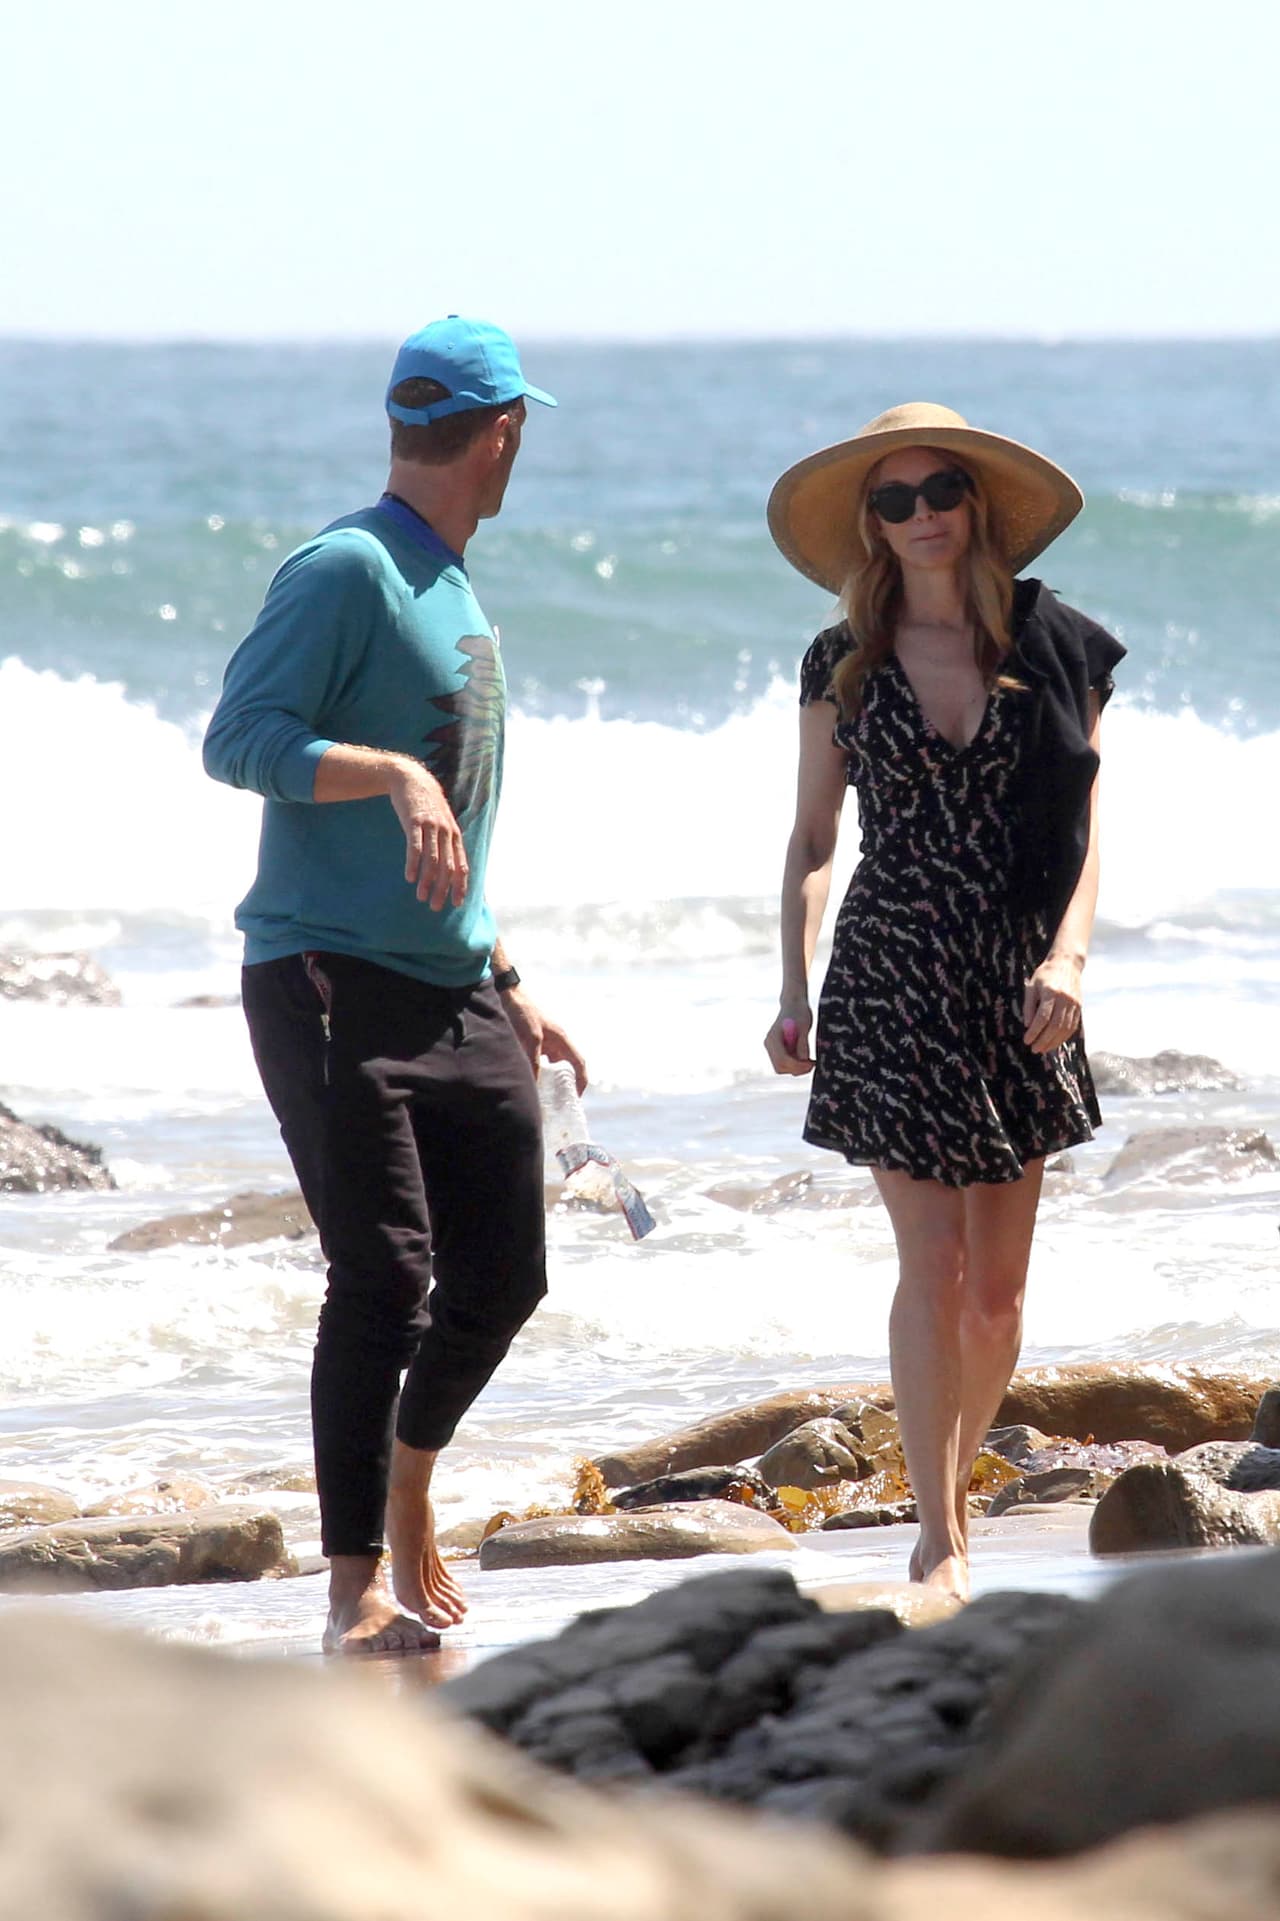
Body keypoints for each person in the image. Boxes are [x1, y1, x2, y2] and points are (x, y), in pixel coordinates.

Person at [203, 316, 585, 1654]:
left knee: (508, 1273)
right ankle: (355, 1586)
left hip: (453, 980)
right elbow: (238, 739)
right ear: (504, 434)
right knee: (382, 1274)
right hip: (325, 975)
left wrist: (505, 970)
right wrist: (394, 770)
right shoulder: (347, 568)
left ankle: (408, 1481)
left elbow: (454, 834)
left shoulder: (453, 583)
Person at [762, 402, 1123, 1601]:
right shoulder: (838, 661)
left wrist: (1067, 959)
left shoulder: (1050, 643)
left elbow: (1084, 835)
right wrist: (790, 980)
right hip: (891, 967)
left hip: (1021, 973)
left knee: (1000, 1284)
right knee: (933, 1266)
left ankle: (952, 1482)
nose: (919, 517)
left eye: (938, 493)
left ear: (974, 507)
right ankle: (940, 1528)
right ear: (869, 524)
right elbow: (814, 837)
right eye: (892, 500)